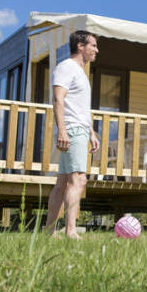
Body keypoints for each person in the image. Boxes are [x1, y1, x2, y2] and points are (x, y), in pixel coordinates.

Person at [45, 30, 100, 239]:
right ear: (80, 46)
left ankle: (49, 232)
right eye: (93, 45)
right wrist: (62, 130)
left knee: (62, 183)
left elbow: (81, 109)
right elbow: (58, 99)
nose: (96, 50)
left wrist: (91, 133)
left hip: (79, 129)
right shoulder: (66, 68)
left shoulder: (80, 73)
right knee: (78, 181)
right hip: (71, 130)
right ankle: (70, 231)